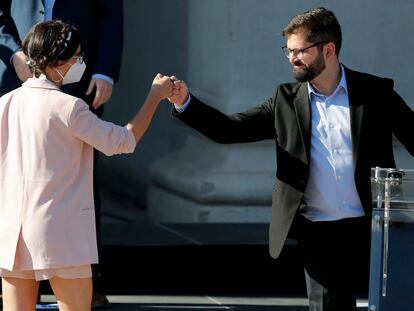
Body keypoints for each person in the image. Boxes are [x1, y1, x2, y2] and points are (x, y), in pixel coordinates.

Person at [167, 7, 414, 311]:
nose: (292, 58)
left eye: (300, 51)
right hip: (319, 231)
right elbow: (229, 130)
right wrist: (184, 103)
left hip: (373, 227)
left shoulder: (375, 93)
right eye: (288, 50)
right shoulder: (285, 101)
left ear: (329, 49)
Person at [0, 20, 172, 311]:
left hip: (11, 234)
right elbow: (124, 140)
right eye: (78, 56)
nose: (82, 62)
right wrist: (155, 95)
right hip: (62, 233)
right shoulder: (70, 107)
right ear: (58, 61)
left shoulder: (5, 103)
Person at [0, 1, 124, 304]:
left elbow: (110, 15)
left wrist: (105, 72)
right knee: (9, 172)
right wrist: (14, 53)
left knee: (79, 173)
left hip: (75, 80)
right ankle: (9, 267)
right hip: (15, 74)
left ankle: (83, 277)